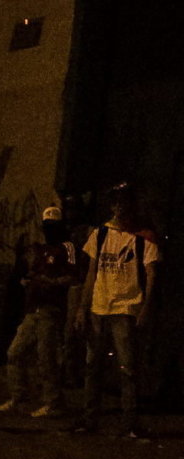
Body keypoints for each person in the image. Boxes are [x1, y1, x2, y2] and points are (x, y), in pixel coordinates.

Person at [73, 184, 161, 437]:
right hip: (99, 308)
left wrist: (144, 309)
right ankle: (90, 419)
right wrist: (83, 307)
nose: (120, 207)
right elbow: (92, 273)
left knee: (127, 368)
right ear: (112, 206)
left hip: (125, 307)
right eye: (116, 202)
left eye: (124, 202)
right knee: (93, 366)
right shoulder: (101, 234)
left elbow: (152, 275)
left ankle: (129, 423)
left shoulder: (144, 237)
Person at [0, 206, 80, 417]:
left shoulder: (67, 247)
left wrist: (50, 282)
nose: (49, 230)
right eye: (46, 226)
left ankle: (53, 402)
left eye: (53, 226)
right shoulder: (42, 249)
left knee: (46, 358)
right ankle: (19, 396)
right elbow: (35, 272)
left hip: (50, 310)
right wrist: (29, 280)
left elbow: (72, 277)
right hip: (32, 309)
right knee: (15, 352)